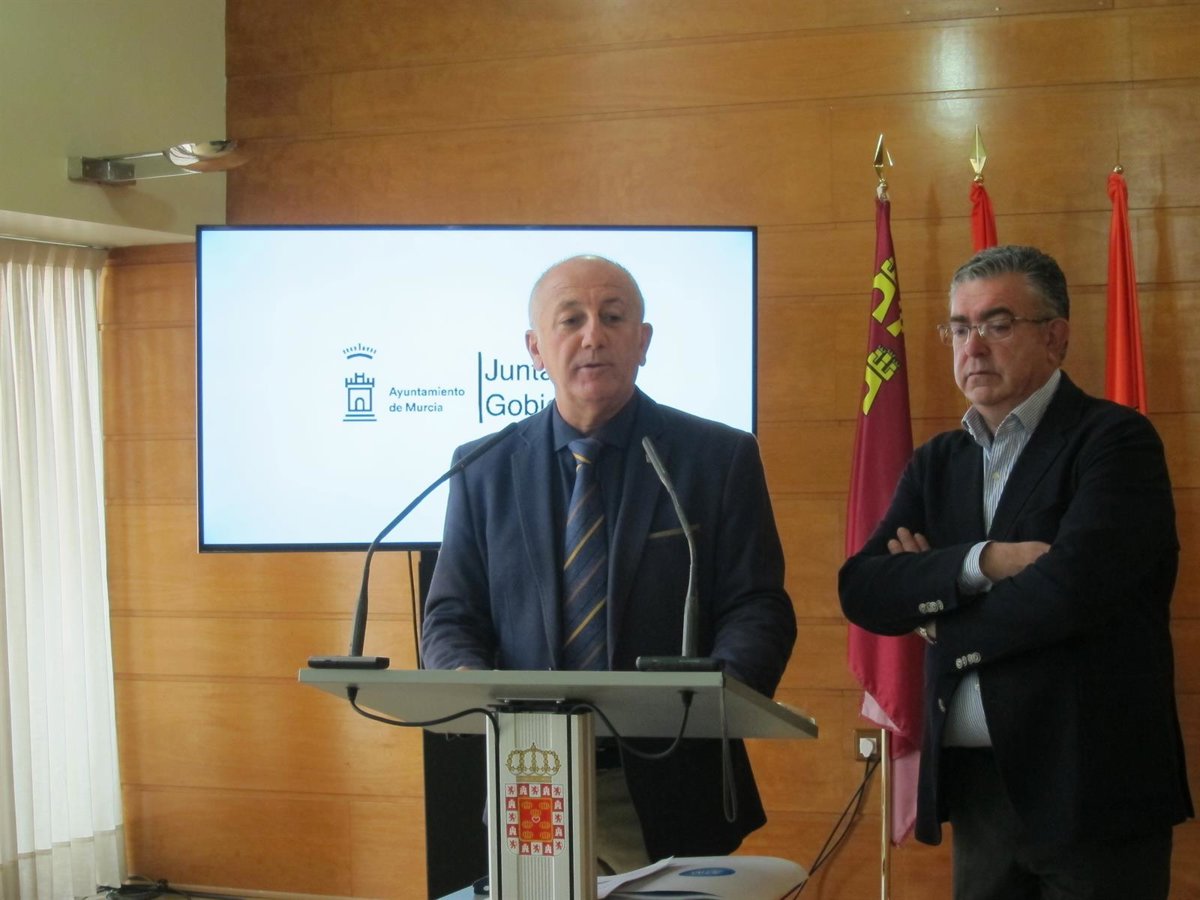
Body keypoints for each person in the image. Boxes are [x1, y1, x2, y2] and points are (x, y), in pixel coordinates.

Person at [421, 254, 796, 872]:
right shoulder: (481, 468)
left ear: (642, 342)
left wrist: (712, 701)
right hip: (531, 772)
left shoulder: (717, 457)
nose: (593, 335)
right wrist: (466, 680)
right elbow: (451, 614)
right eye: (571, 319)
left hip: (671, 776)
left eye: (613, 317)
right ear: (535, 349)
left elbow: (757, 606)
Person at [839, 244, 1192, 899]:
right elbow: (864, 590)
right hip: (981, 791)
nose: (972, 347)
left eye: (997, 325)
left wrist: (938, 612)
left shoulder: (1115, 441)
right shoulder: (937, 462)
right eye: (959, 327)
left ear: (1055, 338)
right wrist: (985, 562)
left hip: (1094, 787)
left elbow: (1070, 591)